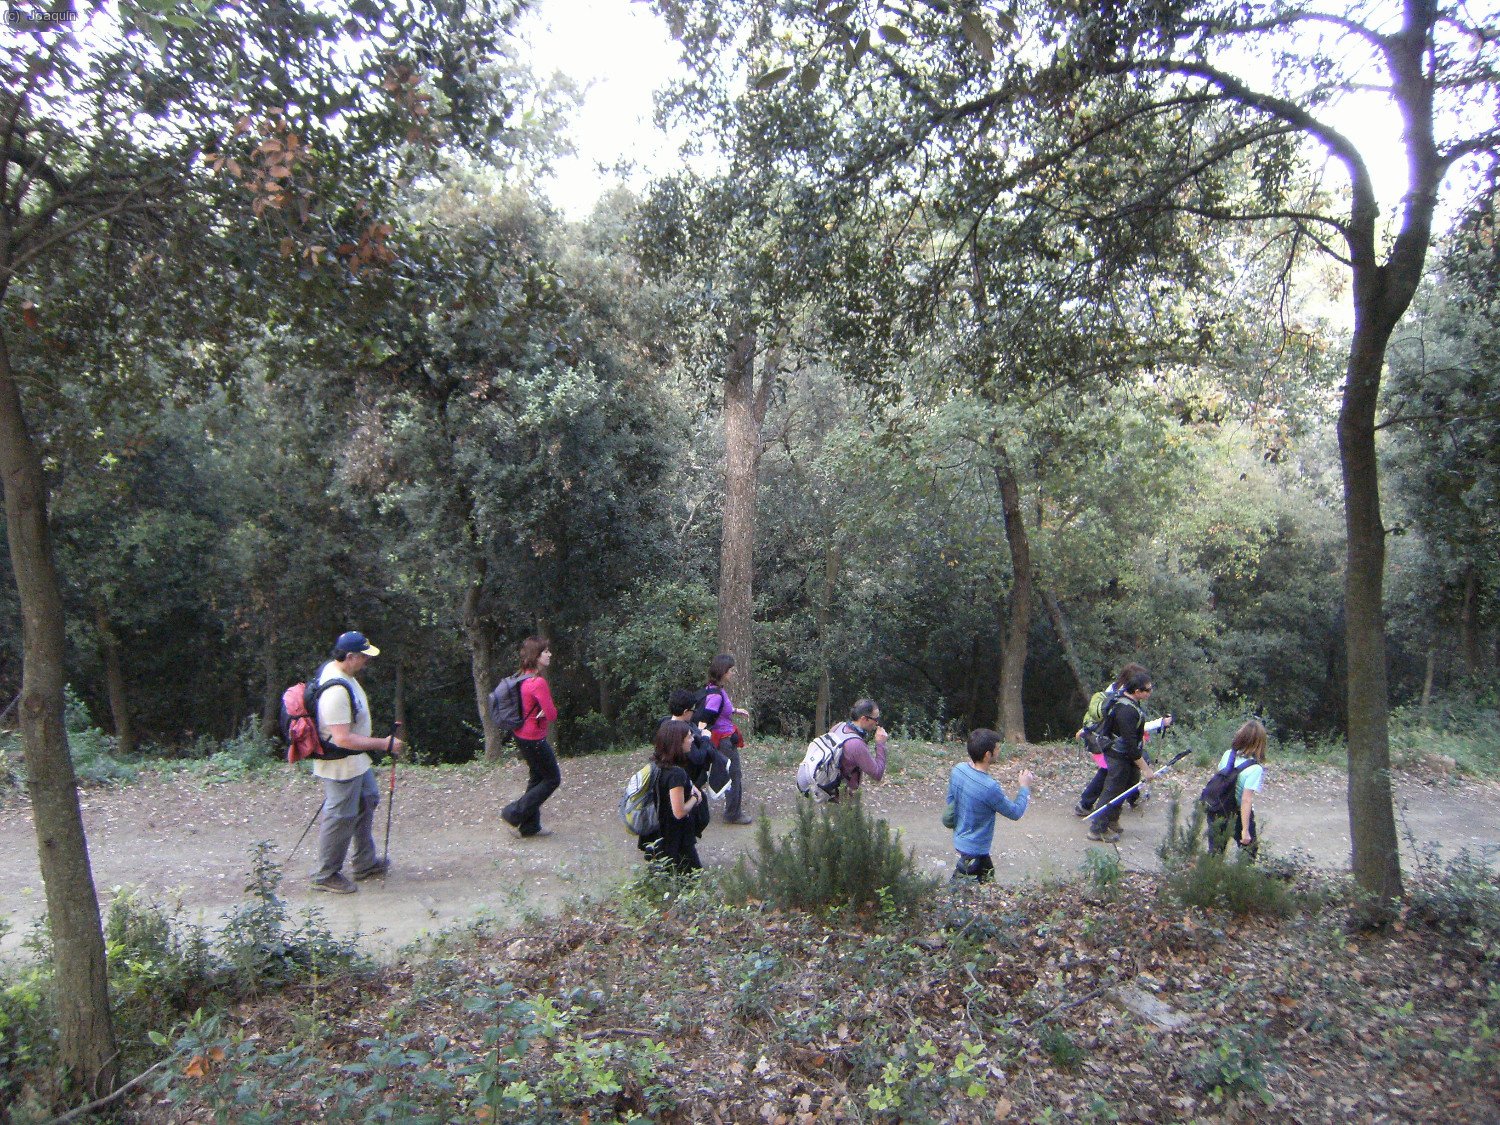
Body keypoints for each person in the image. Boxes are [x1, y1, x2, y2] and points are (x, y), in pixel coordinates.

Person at [309, 631, 405, 894]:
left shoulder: (344, 676)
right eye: (363, 656)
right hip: (340, 765)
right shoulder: (336, 690)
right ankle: (326, 874)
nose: (366, 661)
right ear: (349, 657)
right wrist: (383, 744)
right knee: (340, 816)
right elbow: (342, 739)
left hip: (357, 762)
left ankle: (365, 862)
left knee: (367, 799)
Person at [1073, 664, 1172, 817]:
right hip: (1109, 743)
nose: (1148, 691)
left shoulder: (1114, 691)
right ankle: (1091, 809)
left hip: (1104, 740)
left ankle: (1124, 801)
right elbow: (1128, 730)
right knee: (1112, 773)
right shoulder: (1122, 699)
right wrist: (1160, 723)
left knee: (1123, 770)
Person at [947, 728, 1034, 882]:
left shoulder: (958, 770)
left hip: (960, 838)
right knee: (961, 885)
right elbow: (1015, 812)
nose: (999, 750)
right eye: (997, 748)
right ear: (988, 755)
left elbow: (950, 802)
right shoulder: (989, 787)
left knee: (986, 879)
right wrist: (1024, 787)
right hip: (975, 848)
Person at [1086, 669, 1159, 842]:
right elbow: (1130, 745)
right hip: (1118, 755)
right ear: (1137, 692)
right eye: (1147, 690)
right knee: (1112, 790)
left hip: (1122, 755)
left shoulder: (1128, 703)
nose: (1150, 692)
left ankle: (1111, 821)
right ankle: (1097, 829)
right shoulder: (1126, 711)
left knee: (1124, 787)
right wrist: (1146, 769)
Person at [501, 636, 560, 839]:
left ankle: (529, 827)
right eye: (545, 651)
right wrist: (547, 710)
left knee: (537, 778)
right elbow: (552, 714)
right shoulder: (538, 682)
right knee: (552, 779)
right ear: (537, 656)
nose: (549, 654)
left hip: (521, 735)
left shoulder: (521, 677)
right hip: (534, 738)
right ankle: (514, 812)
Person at [662, 689, 732, 837]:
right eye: (693, 709)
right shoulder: (682, 732)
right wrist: (705, 738)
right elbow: (698, 757)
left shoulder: (665, 724)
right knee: (691, 816)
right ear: (686, 711)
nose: (695, 712)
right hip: (685, 779)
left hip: (673, 779)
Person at [696, 654, 753, 824]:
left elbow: (721, 710)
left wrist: (735, 710)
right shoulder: (716, 695)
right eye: (731, 670)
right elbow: (704, 719)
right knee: (734, 774)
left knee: (730, 773)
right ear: (723, 672)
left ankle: (731, 810)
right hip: (723, 741)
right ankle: (733, 814)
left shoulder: (716, 689)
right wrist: (700, 738)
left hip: (726, 738)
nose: (733, 673)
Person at [643, 719, 703, 874]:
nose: (692, 739)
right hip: (676, 839)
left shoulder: (657, 765)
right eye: (689, 737)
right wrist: (696, 798)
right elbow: (679, 812)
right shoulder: (676, 774)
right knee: (692, 879)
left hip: (658, 834)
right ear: (678, 742)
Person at [801, 698, 889, 802]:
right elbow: (877, 773)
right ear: (864, 719)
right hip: (842, 800)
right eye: (876, 719)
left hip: (826, 791)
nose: (877, 723)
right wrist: (880, 743)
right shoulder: (856, 744)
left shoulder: (839, 727)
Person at [1208, 720, 1268, 861]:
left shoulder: (1228, 754)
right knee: (1249, 852)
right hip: (1237, 813)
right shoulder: (1255, 769)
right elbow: (1246, 800)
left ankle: (1211, 879)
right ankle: (1242, 879)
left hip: (1217, 808)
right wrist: (1245, 830)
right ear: (1260, 743)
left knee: (1215, 853)